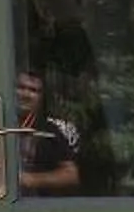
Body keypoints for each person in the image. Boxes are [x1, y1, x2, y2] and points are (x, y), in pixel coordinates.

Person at [14, 68, 84, 196]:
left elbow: (70, 175)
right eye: (21, 87)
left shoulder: (51, 130)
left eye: (33, 90)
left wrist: (29, 179)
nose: (26, 94)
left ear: (41, 97)